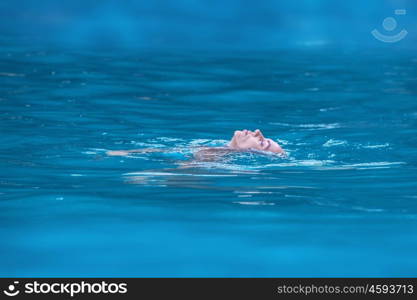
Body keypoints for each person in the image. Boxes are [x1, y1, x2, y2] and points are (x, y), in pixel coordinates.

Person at [106, 129, 285, 160]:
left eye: (263, 142)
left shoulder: (216, 156)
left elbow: (184, 172)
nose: (258, 132)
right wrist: (129, 152)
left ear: (252, 152)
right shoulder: (218, 148)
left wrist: (148, 176)